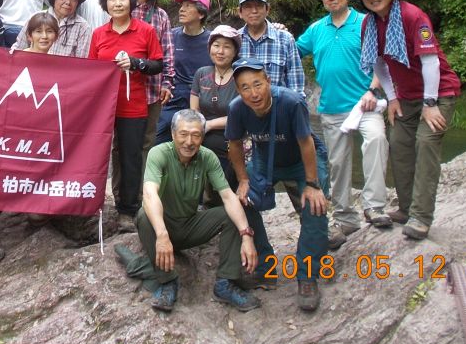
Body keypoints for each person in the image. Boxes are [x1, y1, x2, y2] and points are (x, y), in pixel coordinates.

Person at [348, 0, 461, 241]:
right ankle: (406, 207)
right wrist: (393, 97)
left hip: (438, 93)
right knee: (398, 144)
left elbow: (431, 62)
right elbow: (378, 62)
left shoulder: (413, 16)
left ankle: (421, 217)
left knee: (425, 144)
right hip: (406, 96)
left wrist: (431, 103)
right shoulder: (370, 24)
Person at [225, 59, 330, 312]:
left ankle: (307, 277)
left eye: (257, 84)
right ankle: (266, 267)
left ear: (269, 82)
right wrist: (243, 180)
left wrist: (313, 184)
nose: (253, 93)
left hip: (301, 160)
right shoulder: (237, 108)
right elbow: (235, 145)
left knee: (314, 207)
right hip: (266, 161)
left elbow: (306, 142)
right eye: (245, 87)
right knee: (241, 201)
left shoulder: (291, 102)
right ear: (238, 91)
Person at [296, 0, 391, 250]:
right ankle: (345, 218)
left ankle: (375, 206)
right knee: (337, 164)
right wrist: (275, 30)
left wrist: (373, 90)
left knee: (376, 140)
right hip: (331, 108)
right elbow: (292, 50)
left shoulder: (364, 23)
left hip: (365, 104)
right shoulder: (316, 29)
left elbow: (381, 61)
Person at [138, 109, 260, 313]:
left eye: (196, 135)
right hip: (163, 226)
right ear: (173, 133)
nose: (189, 141)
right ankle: (167, 282)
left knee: (232, 215)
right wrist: (161, 234)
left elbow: (228, 196)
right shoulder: (158, 153)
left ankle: (225, 283)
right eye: (183, 134)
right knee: (143, 215)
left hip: (190, 224)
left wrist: (246, 235)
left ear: (202, 137)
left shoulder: (207, 157)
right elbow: (150, 194)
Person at [88, 0, 164, 225]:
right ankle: (89, 202)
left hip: (133, 105)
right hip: (103, 107)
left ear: (131, 1)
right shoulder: (99, 33)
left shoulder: (145, 31)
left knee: (131, 156)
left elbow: (157, 64)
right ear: (105, 4)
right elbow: (90, 69)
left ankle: (127, 210)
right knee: (96, 154)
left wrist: (136, 63)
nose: (117, 3)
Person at [129, 0, 176, 156]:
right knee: (119, 140)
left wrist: (167, 83)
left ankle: (144, 187)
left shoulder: (161, 16)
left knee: (148, 140)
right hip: (125, 86)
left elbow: (168, 51)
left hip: (152, 87)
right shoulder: (121, 8)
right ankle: (119, 187)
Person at [155, 0, 211, 144]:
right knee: (158, 141)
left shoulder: (213, 42)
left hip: (202, 98)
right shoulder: (171, 36)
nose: (181, 9)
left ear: (201, 14)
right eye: (181, 5)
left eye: (188, 6)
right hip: (173, 97)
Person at [189, 25, 242, 188]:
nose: (220, 51)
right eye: (216, 45)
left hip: (232, 136)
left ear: (235, 52)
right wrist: (199, 127)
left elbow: (241, 115)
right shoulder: (202, 73)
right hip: (203, 134)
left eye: (227, 47)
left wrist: (210, 124)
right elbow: (193, 111)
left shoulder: (241, 75)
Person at [236, 0, 305, 99]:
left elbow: (296, 83)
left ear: (267, 9)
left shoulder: (285, 39)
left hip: (279, 107)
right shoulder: (234, 40)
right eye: (248, 6)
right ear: (240, 12)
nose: (254, 11)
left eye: (259, 5)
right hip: (244, 109)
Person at [12, 0, 93, 57]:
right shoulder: (35, 18)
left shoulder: (83, 27)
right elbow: (18, 49)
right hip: (34, 66)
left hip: (64, 69)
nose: (68, 2)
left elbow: (81, 62)